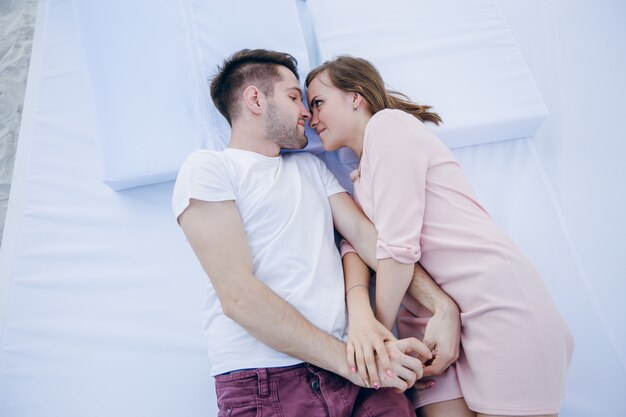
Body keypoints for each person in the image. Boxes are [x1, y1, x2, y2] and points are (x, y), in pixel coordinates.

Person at [172, 49, 461, 417]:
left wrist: (441, 305)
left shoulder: (311, 168)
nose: (307, 112)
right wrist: (357, 364)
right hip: (267, 380)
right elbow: (239, 297)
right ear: (255, 99)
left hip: (358, 373)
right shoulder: (209, 168)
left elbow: (369, 240)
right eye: (294, 97)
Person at [305, 56, 574, 417]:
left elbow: (397, 249)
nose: (312, 117)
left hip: (493, 303)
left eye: (318, 102)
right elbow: (356, 244)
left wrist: (382, 338)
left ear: (356, 96)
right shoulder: (358, 178)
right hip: (426, 324)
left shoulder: (388, 126)